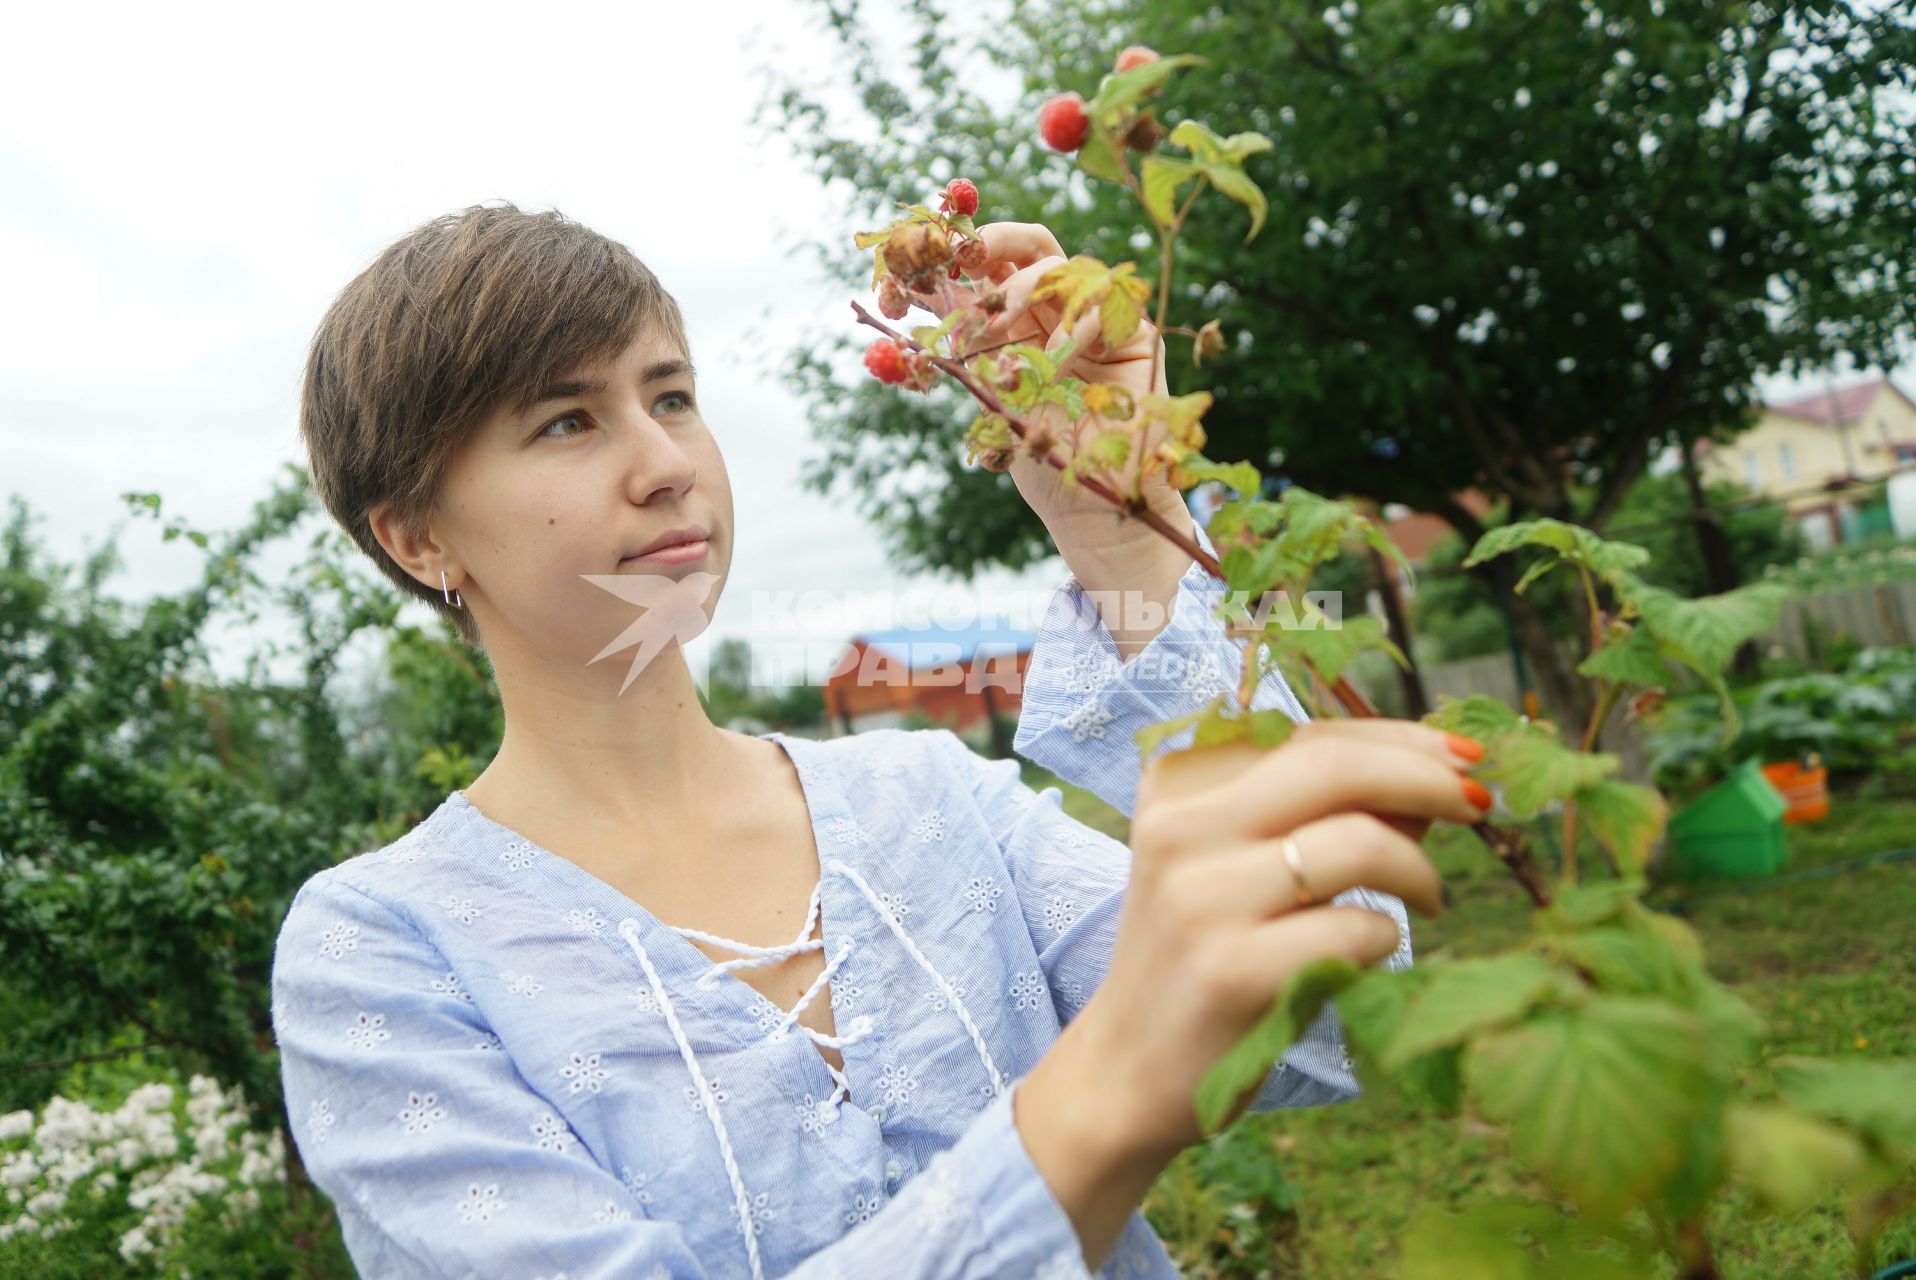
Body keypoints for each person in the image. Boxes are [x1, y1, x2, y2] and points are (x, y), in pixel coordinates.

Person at [271, 202, 1485, 1280]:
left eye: (672, 395)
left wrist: (1129, 534)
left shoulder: (929, 800)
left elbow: (1328, 1001)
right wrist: (1098, 1099)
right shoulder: (382, 955)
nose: (665, 465)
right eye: (564, 422)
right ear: (420, 538)